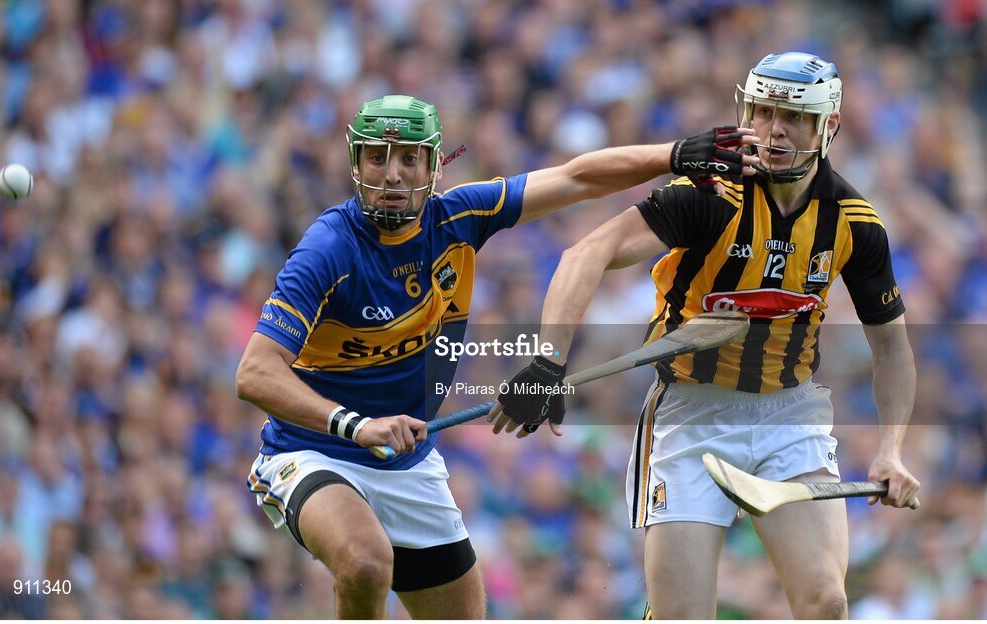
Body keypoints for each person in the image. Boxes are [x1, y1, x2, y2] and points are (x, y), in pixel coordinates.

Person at [234, 94, 753, 619]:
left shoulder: (460, 217)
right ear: (355, 164)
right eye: (377, 157)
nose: (392, 175)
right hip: (313, 451)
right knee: (366, 563)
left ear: (435, 167)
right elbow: (254, 372)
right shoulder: (328, 249)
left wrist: (674, 155)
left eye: (409, 158)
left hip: (407, 463)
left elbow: (576, 178)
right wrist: (355, 426)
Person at [489, 52, 922, 619]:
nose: (773, 129)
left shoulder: (854, 223)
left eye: (792, 117)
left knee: (826, 603)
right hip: (690, 417)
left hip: (789, 417)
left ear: (828, 126)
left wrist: (891, 451)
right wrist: (548, 362)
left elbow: (892, 349)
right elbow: (584, 254)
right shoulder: (711, 194)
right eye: (764, 111)